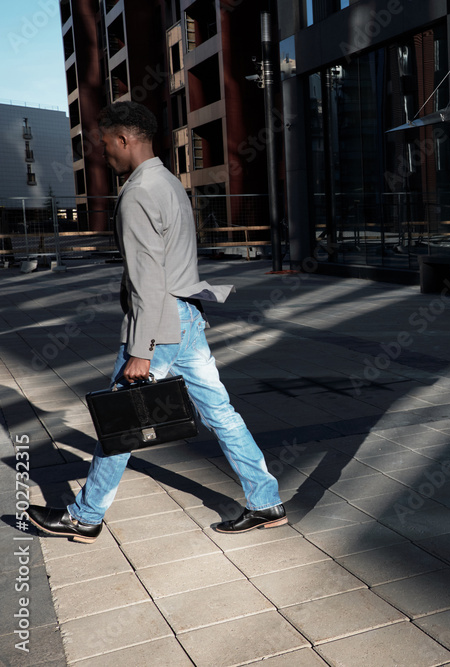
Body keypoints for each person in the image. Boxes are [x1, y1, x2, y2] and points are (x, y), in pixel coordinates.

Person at [27, 101, 285, 543]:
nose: (103, 152)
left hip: (161, 324)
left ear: (125, 139)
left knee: (121, 419)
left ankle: (85, 516)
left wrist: (141, 350)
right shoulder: (169, 183)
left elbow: (149, 278)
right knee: (221, 413)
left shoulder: (139, 193)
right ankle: (266, 502)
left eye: (106, 143)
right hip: (187, 316)